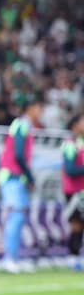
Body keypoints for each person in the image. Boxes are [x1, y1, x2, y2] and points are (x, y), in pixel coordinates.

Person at [0, 98, 42, 273]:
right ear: (31, 108)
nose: (40, 111)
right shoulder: (22, 125)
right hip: (12, 176)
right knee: (15, 217)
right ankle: (8, 258)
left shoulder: (25, 126)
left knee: (18, 217)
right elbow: (18, 155)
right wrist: (30, 178)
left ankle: (13, 257)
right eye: (39, 107)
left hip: (18, 177)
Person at [62, 113, 84, 270]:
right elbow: (70, 169)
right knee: (76, 224)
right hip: (74, 191)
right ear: (75, 125)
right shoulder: (70, 144)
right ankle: (72, 257)